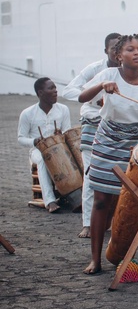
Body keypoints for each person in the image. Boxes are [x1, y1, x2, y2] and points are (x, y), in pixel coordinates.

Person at [78, 34, 138, 275]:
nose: (137, 53)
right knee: (101, 200)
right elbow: (81, 97)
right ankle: (95, 260)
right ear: (119, 55)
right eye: (131, 49)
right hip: (107, 139)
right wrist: (101, 86)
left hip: (135, 142)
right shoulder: (109, 74)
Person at [61, 32, 121, 237]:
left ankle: (118, 221)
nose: (117, 52)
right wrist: (93, 97)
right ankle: (88, 223)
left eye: (121, 48)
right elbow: (69, 90)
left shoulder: (128, 71)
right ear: (106, 50)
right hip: (93, 122)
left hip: (117, 126)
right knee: (90, 173)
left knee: (119, 174)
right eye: (114, 48)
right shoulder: (95, 69)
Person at [18, 77, 73, 214]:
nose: (55, 91)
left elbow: (68, 133)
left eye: (55, 88)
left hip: (59, 148)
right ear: (40, 93)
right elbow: (20, 139)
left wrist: (61, 135)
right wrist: (35, 141)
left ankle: (74, 195)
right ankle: (50, 201)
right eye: (51, 88)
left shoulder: (63, 109)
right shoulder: (27, 113)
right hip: (37, 151)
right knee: (44, 158)